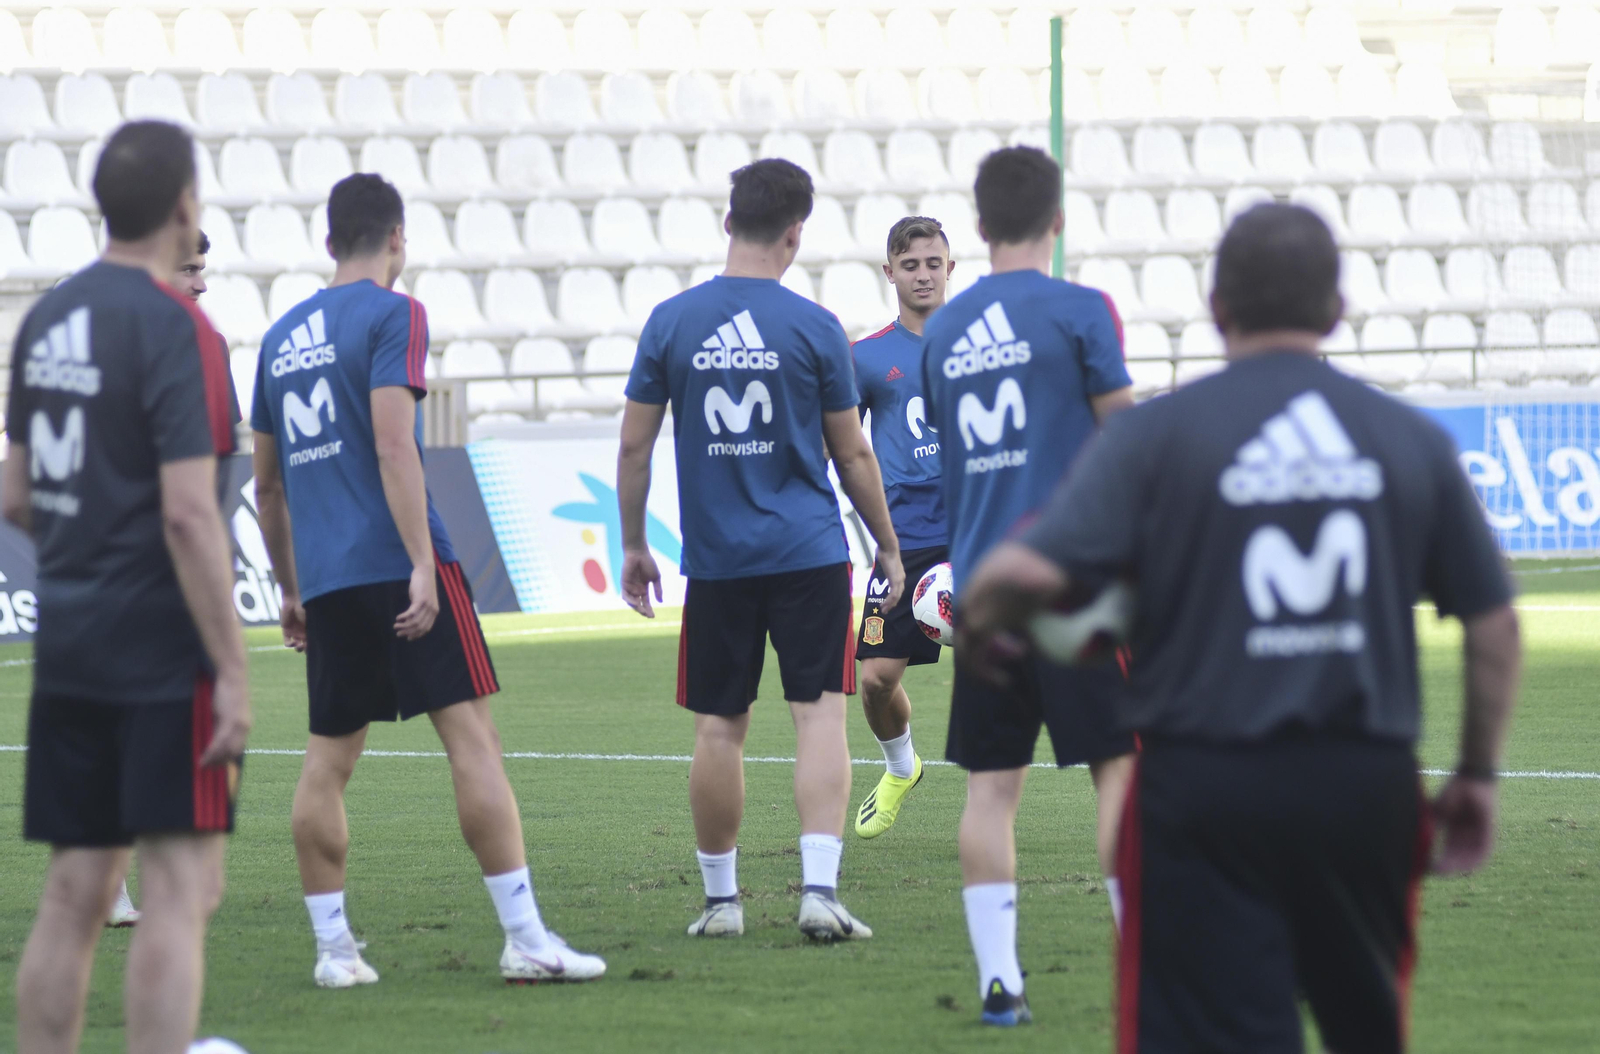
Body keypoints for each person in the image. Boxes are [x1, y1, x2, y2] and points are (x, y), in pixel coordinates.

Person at [956, 203, 1522, 1054]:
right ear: (1335, 310)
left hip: (1200, 786)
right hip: (1361, 783)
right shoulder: (1407, 439)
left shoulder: (1156, 438)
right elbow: (1493, 625)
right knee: (1366, 1028)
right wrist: (1476, 772)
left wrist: (986, 620)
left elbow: (1022, 575)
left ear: (1218, 306)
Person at [250, 173, 605, 988]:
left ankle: (334, 952)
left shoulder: (278, 338)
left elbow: (267, 488)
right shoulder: (393, 313)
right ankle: (524, 939)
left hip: (331, 578)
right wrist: (419, 563)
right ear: (397, 240)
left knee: (326, 762)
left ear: (329, 240)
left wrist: (292, 587)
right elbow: (394, 443)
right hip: (405, 562)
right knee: (472, 741)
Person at [5, 119, 250, 1054]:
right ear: (186, 207)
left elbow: (15, 493)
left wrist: (90, 547)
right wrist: (230, 668)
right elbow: (192, 516)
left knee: (75, 891)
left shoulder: (47, 321)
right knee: (182, 893)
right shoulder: (180, 327)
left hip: (70, 638)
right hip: (160, 647)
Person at [618, 158, 905, 942]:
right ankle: (818, 892)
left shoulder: (672, 322)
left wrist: (635, 544)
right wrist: (886, 543)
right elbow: (852, 457)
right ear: (795, 233)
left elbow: (635, 451)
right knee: (819, 720)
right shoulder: (813, 327)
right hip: (810, 554)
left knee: (720, 728)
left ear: (727, 222)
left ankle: (721, 904)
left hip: (717, 562)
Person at [920, 145, 1137, 1027]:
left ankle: (1000, 983)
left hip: (985, 591)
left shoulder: (943, 331)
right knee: (1120, 770)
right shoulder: (1083, 311)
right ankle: (1143, 966)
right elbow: (1125, 446)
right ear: (1057, 218)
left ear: (976, 228)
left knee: (991, 789)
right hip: (1076, 586)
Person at [104, 228, 214, 932]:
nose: (202, 284)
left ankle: (110, 889)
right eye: (190, 269)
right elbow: (197, 499)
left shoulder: (72, 325)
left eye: (206, 271)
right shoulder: (184, 350)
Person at [847, 216, 954, 839]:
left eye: (932, 263)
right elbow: (842, 444)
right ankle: (901, 767)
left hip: (978, 534)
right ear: (890, 271)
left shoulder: (978, 348)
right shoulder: (864, 358)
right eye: (909, 265)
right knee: (875, 680)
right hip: (903, 542)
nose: (922, 275)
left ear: (949, 268)